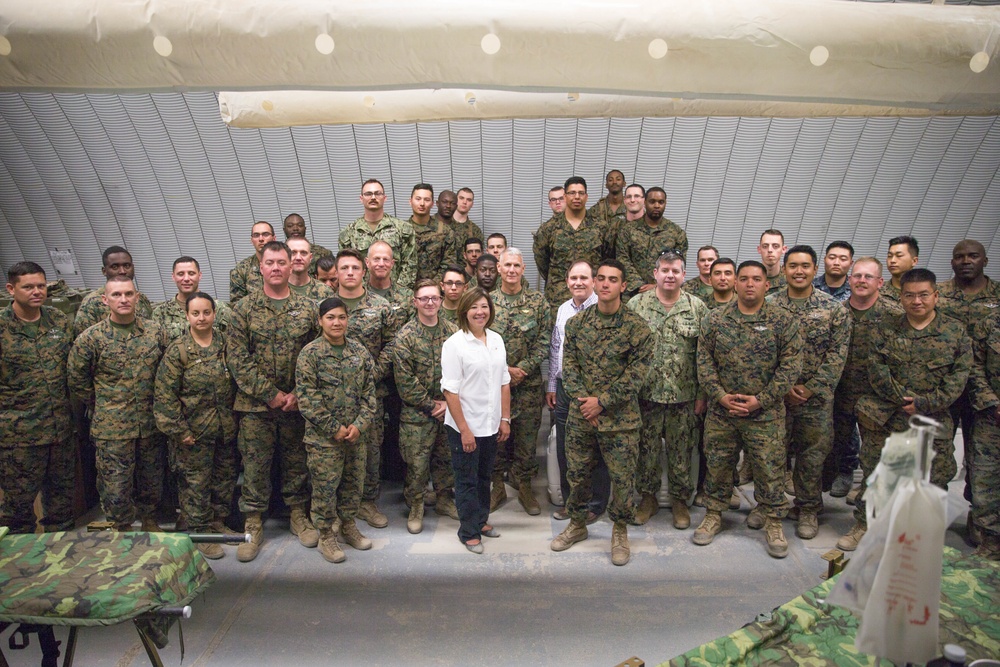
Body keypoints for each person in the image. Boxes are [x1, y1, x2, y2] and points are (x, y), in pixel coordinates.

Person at [843, 268, 972, 552]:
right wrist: (902, 398)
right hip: (888, 415)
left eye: (923, 295)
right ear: (900, 298)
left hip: (932, 418)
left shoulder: (954, 332)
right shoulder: (886, 328)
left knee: (934, 478)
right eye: (910, 295)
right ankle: (865, 526)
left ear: (935, 296)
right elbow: (875, 369)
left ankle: (920, 536)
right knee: (876, 475)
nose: (916, 301)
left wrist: (925, 403)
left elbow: (958, 378)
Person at [694, 261, 802, 559]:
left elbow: (791, 366)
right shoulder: (715, 319)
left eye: (757, 279)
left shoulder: (783, 321)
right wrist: (720, 396)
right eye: (744, 279)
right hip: (722, 412)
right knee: (717, 465)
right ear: (735, 284)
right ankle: (714, 514)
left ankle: (773, 520)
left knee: (769, 468)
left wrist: (762, 400)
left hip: (764, 414)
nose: (750, 284)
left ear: (767, 284)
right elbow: (704, 363)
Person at [551, 260, 654, 566]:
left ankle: (619, 530)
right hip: (582, 416)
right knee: (577, 474)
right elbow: (567, 367)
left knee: (622, 481)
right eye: (601, 279)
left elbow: (637, 375)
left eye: (613, 280)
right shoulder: (577, 324)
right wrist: (586, 402)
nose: (606, 284)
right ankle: (578, 524)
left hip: (620, 421)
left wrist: (602, 402)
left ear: (623, 286)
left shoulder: (637, 328)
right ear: (595, 283)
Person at [227, 241, 320, 562]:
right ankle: (252, 522)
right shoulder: (243, 309)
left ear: (292, 265)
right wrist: (271, 394)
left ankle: (298, 514)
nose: (277, 267)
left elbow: (313, 356)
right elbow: (238, 359)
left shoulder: (308, 308)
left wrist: (297, 393)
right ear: (261, 267)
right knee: (255, 466)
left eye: (283, 261)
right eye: (271, 263)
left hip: (296, 405)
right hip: (256, 407)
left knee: (297, 461)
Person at [68, 275, 168, 531]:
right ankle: (121, 529)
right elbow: (78, 381)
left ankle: (149, 522)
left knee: (151, 479)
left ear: (137, 297)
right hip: (112, 428)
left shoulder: (155, 332)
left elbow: (167, 373)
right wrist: (104, 404)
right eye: (116, 295)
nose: (123, 299)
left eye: (128, 294)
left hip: (150, 424)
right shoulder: (91, 339)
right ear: (105, 300)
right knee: (116, 486)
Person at [763, 246, 849, 540]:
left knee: (812, 457)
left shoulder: (834, 309)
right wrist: (782, 388)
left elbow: (837, 357)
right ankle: (770, 505)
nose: (799, 271)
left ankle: (808, 508)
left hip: (816, 400)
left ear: (815, 270)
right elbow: (760, 354)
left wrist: (810, 388)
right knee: (773, 454)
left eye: (805, 266)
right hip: (776, 399)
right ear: (784, 269)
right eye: (793, 266)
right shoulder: (768, 305)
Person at [153, 292, 238, 559]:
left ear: (214, 314)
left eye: (206, 312)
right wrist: (180, 432)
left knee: (223, 479)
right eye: (195, 313)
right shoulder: (179, 350)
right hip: (193, 432)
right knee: (196, 484)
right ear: (187, 316)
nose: (202, 318)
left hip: (225, 428)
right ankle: (199, 531)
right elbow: (165, 395)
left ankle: (217, 522)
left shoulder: (227, 344)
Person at [627, 251, 708, 529]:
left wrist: (702, 394)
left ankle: (679, 502)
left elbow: (704, 355)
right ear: (655, 273)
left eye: (675, 271)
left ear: (684, 275)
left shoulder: (697, 308)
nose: (670, 275)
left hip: (683, 397)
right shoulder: (637, 305)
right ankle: (647, 499)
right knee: (646, 450)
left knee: (681, 451)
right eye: (665, 270)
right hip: (645, 395)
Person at [296, 297, 378, 564]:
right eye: (330, 317)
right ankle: (325, 535)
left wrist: (359, 425)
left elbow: (369, 394)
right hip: (324, 440)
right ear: (320, 321)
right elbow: (307, 399)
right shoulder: (310, 354)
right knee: (325, 489)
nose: (337, 322)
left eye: (341, 317)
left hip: (356, 436)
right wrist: (334, 428)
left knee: (353, 486)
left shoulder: (359, 352)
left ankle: (348, 525)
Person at [0, 261, 75, 534]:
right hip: (19, 437)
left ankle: (61, 564)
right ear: (11, 289)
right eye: (28, 287)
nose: (36, 292)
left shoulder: (59, 321)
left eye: (41, 286)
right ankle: (21, 569)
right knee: (17, 511)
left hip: (60, 432)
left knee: (62, 509)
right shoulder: (2, 327)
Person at [441, 287, 511, 554]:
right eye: (474, 307)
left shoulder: (496, 339)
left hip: (490, 423)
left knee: (484, 476)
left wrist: (504, 419)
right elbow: (450, 391)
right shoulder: (455, 345)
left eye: (484, 306)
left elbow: (504, 382)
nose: (480, 312)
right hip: (464, 426)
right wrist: (465, 431)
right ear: (464, 311)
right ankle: (468, 532)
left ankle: (480, 521)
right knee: (466, 480)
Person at [829, 258, 902, 512]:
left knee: (875, 449)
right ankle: (843, 475)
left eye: (868, 277)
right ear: (849, 280)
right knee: (837, 441)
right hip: (841, 390)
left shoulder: (895, 316)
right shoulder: (836, 312)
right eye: (857, 276)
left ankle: (869, 494)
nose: (861, 280)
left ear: (880, 282)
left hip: (876, 396)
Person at [938, 239, 999, 526]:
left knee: (982, 459)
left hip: (985, 392)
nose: (966, 261)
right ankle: (930, 517)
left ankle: (981, 516)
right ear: (952, 262)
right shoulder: (939, 295)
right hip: (946, 388)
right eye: (959, 256)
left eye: (973, 256)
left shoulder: (998, 296)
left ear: (985, 260)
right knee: (936, 455)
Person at [392, 280, 460, 533]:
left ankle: (443, 499)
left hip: (449, 409)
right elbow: (405, 381)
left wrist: (448, 404)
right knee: (417, 465)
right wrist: (433, 405)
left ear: (441, 300)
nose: (430, 303)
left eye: (434, 298)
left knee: (447, 459)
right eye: (424, 299)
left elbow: (461, 371)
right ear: (415, 302)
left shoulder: (454, 333)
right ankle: (416, 505)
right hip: (417, 413)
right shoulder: (405, 337)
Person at [335, 249, 397, 528]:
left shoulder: (380, 306)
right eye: (344, 267)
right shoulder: (324, 306)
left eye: (355, 268)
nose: (350, 272)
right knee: (333, 450)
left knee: (371, 450)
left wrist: (371, 375)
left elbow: (392, 345)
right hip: (331, 394)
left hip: (370, 393)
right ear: (336, 273)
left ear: (364, 272)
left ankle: (367, 502)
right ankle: (334, 507)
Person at [489, 248, 552, 515]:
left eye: (517, 265)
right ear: (499, 269)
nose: (512, 270)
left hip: (527, 386)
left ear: (523, 269)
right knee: (496, 438)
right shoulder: (486, 302)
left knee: (526, 440)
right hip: (494, 384)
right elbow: (479, 340)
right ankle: (497, 488)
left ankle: (524, 487)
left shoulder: (538, 303)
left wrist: (521, 370)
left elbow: (545, 340)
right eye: (507, 265)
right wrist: (505, 371)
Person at [547, 260, 609, 524]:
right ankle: (571, 501)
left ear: (594, 280)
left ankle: (595, 503)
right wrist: (551, 384)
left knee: (593, 448)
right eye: (573, 278)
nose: (578, 283)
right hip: (563, 389)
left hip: (592, 391)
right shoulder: (563, 309)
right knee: (564, 447)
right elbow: (555, 348)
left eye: (584, 278)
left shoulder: (604, 309)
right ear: (567, 281)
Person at [534, 176, 610, 308]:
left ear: (586, 197)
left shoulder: (600, 227)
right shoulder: (549, 229)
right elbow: (542, 262)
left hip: (592, 296)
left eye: (581, 193)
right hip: (558, 296)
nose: (577, 197)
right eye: (572, 193)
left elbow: (608, 257)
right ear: (565, 196)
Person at [338, 178, 417, 289]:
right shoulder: (348, 233)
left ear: (384, 198)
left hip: (396, 295)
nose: (373, 197)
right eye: (368, 194)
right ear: (361, 198)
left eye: (377, 194)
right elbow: (346, 266)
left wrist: (400, 292)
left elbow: (410, 264)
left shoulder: (402, 229)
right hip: (362, 295)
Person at [615, 187, 688, 298]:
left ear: (665, 203)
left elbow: (678, 264)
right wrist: (639, 285)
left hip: (664, 294)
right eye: (652, 202)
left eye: (661, 202)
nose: (657, 205)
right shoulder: (628, 230)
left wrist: (657, 285)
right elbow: (622, 258)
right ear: (644, 203)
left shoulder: (676, 233)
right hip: (632, 293)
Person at [969, 312, 1000, 560]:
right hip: (992, 417)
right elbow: (975, 366)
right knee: (985, 479)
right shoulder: (989, 323)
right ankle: (990, 540)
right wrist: (992, 403)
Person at [74, 246, 154, 337]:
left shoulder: (141, 298)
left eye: (127, 266)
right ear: (104, 271)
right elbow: (83, 339)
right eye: (115, 267)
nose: (122, 271)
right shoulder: (92, 303)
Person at [153, 256, 231, 342]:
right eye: (180, 274)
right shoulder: (161, 313)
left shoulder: (219, 309)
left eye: (191, 273)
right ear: (173, 277)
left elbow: (231, 343)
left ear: (199, 275)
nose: (186, 279)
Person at [408, 185, 460, 283]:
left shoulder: (445, 231)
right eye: (418, 199)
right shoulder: (402, 230)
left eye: (427, 200)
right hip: (407, 290)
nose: (422, 203)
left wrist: (432, 287)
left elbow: (448, 264)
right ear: (410, 201)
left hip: (436, 290)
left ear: (432, 204)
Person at [365, 240, 414, 329]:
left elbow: (413, 330)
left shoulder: (407, 296)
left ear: (392, 264)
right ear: (367, 262)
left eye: (386, 259)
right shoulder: (359, 294)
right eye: (376, 259)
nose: (381, 264)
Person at [229, 221, 275, 303]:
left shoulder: (285, 265)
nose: (261, 239)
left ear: (274, 238)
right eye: (256, 235)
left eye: (265, 234)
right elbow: (236, 305)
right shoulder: (242, 269)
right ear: (252, 240)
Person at [589, 170, 627, 258]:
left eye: (618, 179)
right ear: (606, 185)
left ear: (624, 183)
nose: (614, 182)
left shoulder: (631, 209)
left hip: (624, 257)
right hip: (600, 257)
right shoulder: (596, 209)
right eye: (610, 180)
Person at [287, 237, 336, 305]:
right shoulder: (275, 290)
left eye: (303, 253)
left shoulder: (325, 291)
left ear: (310, 258)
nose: (298, 258)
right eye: (293, 253)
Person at [283, 212, 333, 277]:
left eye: (300, 225)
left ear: (305, 229)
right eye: (290, 226)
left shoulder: (323, 253)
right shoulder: (278, 253)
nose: (295, 228)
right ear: (284, 230)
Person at [880, 235, 919, 303]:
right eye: (890, 256)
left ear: (914, 261)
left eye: (899, 256)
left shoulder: (926, 292)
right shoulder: (877, 291)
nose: (892, 260)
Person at [451, 188, 484, 263]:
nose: (464, 202)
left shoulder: (475, 230)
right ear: (455, 200)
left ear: (472, 204)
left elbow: (478, 257)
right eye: (461, 198)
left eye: (469, 200)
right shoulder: (443, 225)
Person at [757, 230, 788, 296]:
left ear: (784, 249)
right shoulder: (749, 281)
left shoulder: (791, 280)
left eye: (775, 246)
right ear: (759, 249)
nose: (770, 250)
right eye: (765, 246)